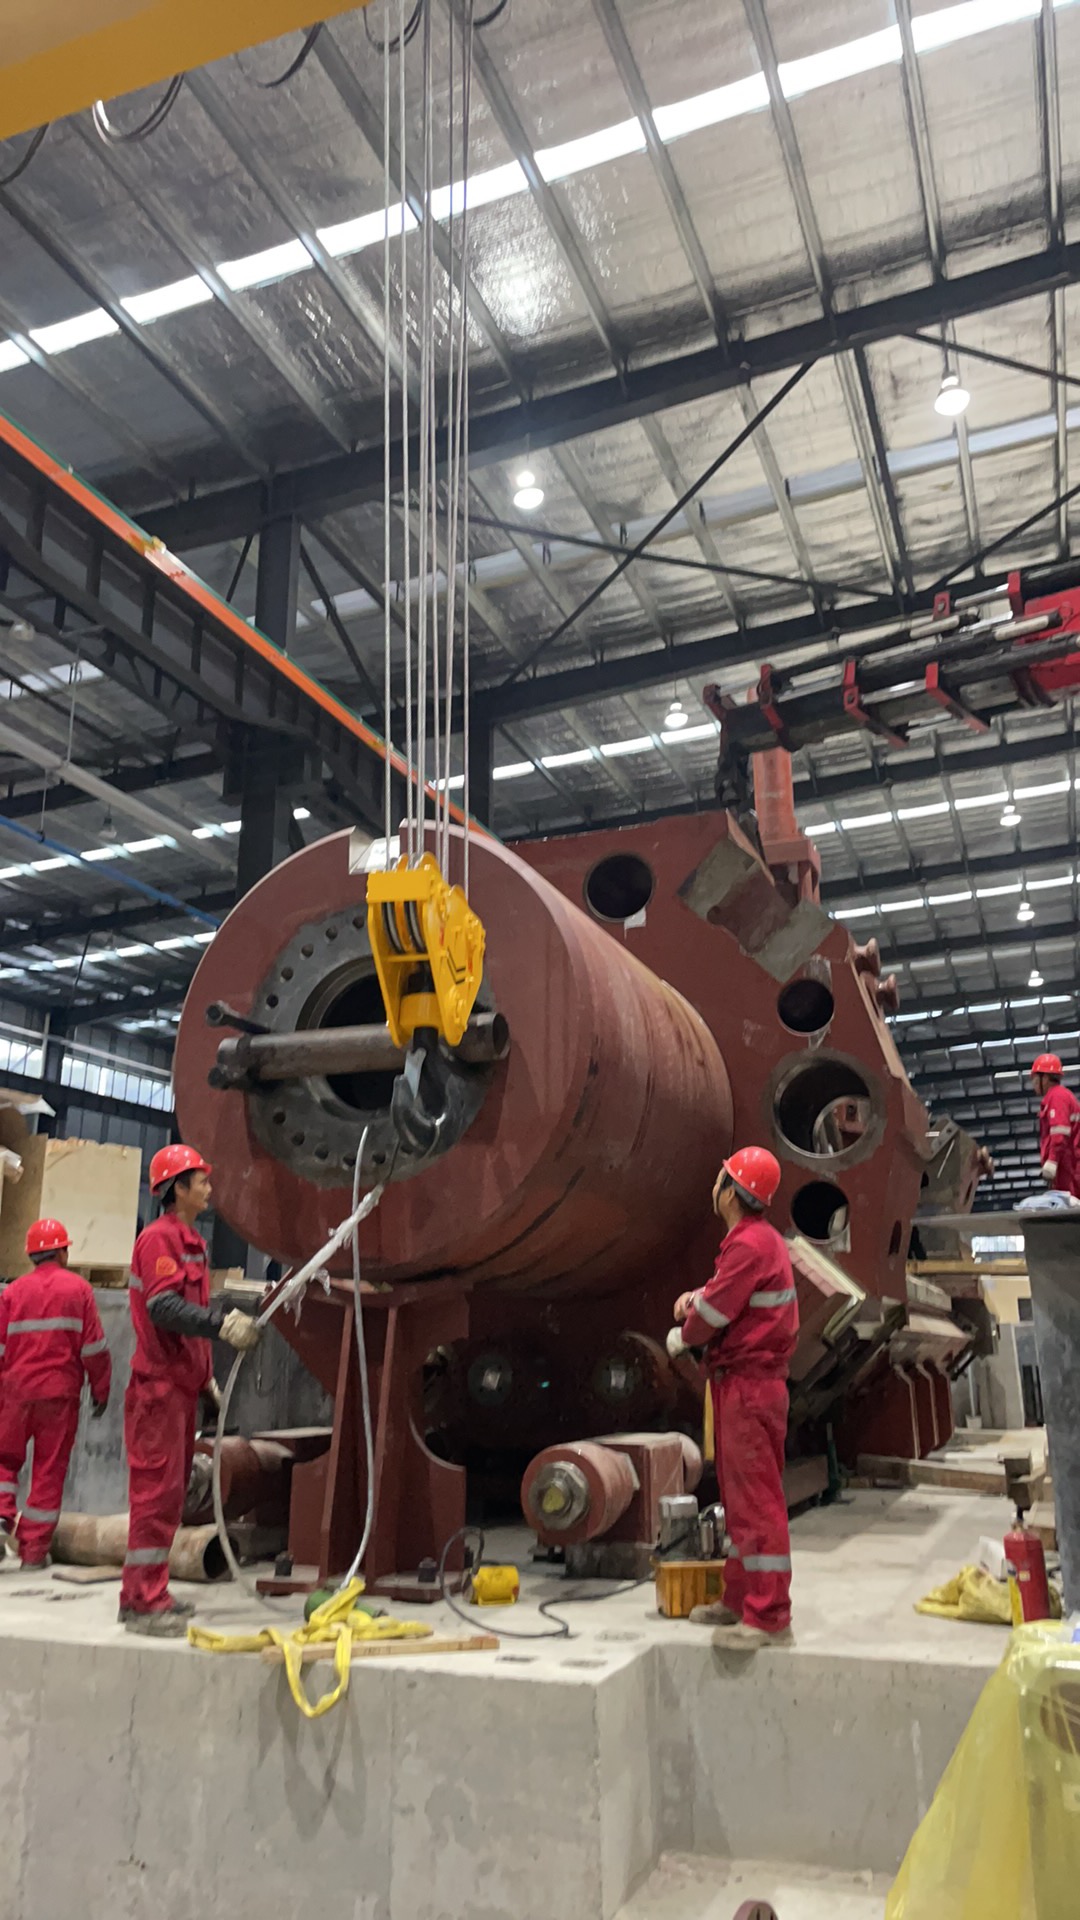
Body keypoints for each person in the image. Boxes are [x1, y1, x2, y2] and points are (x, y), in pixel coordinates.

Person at [119, 1143, 261, 1638]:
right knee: (155, 1496)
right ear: (178, 1188)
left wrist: (205, 1383)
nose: (208, 1187)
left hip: (180, 1389)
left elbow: (184, 1321)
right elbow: (162, 1308)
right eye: (200, 1180)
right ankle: (142, 1603)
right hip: (157, 1392)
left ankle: (147, 1593)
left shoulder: (191, 1242)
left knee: (171, 1496)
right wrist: (221, 1325)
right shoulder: (159, 1239)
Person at [668, 1146, 798, 1648]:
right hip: (740, 1384)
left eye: (720, 1177)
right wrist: (696, 1301)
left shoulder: (748, 1245)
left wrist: (688, 1327)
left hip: (749, 1386)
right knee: (740, 1501)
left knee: (756, 1502)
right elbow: (725, 1296)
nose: (714, 1185)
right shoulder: (755, 1243)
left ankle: (768, 1617)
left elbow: (713, 1317)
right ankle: (740, 1598)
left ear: (730, 1192)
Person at [0, 1218, 111, 1569]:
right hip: (59, 1396)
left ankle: (0, 1519)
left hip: (15, 1393)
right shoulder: (79, 1290)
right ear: (63, 1252)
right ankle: (33, 1553)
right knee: (49, 1470)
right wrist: (101, 1390)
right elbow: (94, 1349)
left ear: (31, 1255)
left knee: (3, 1460)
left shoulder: (12, 1292)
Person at [1030, 1054, 1080, 1194]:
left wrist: (1052, 1161)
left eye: (1035, 1079)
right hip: (1067, 1168)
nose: (1033, 1084)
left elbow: (1060, 1133)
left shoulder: (1057, 1096)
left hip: (1069, 1170)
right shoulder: (1059, 1096)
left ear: (1045, 1078)